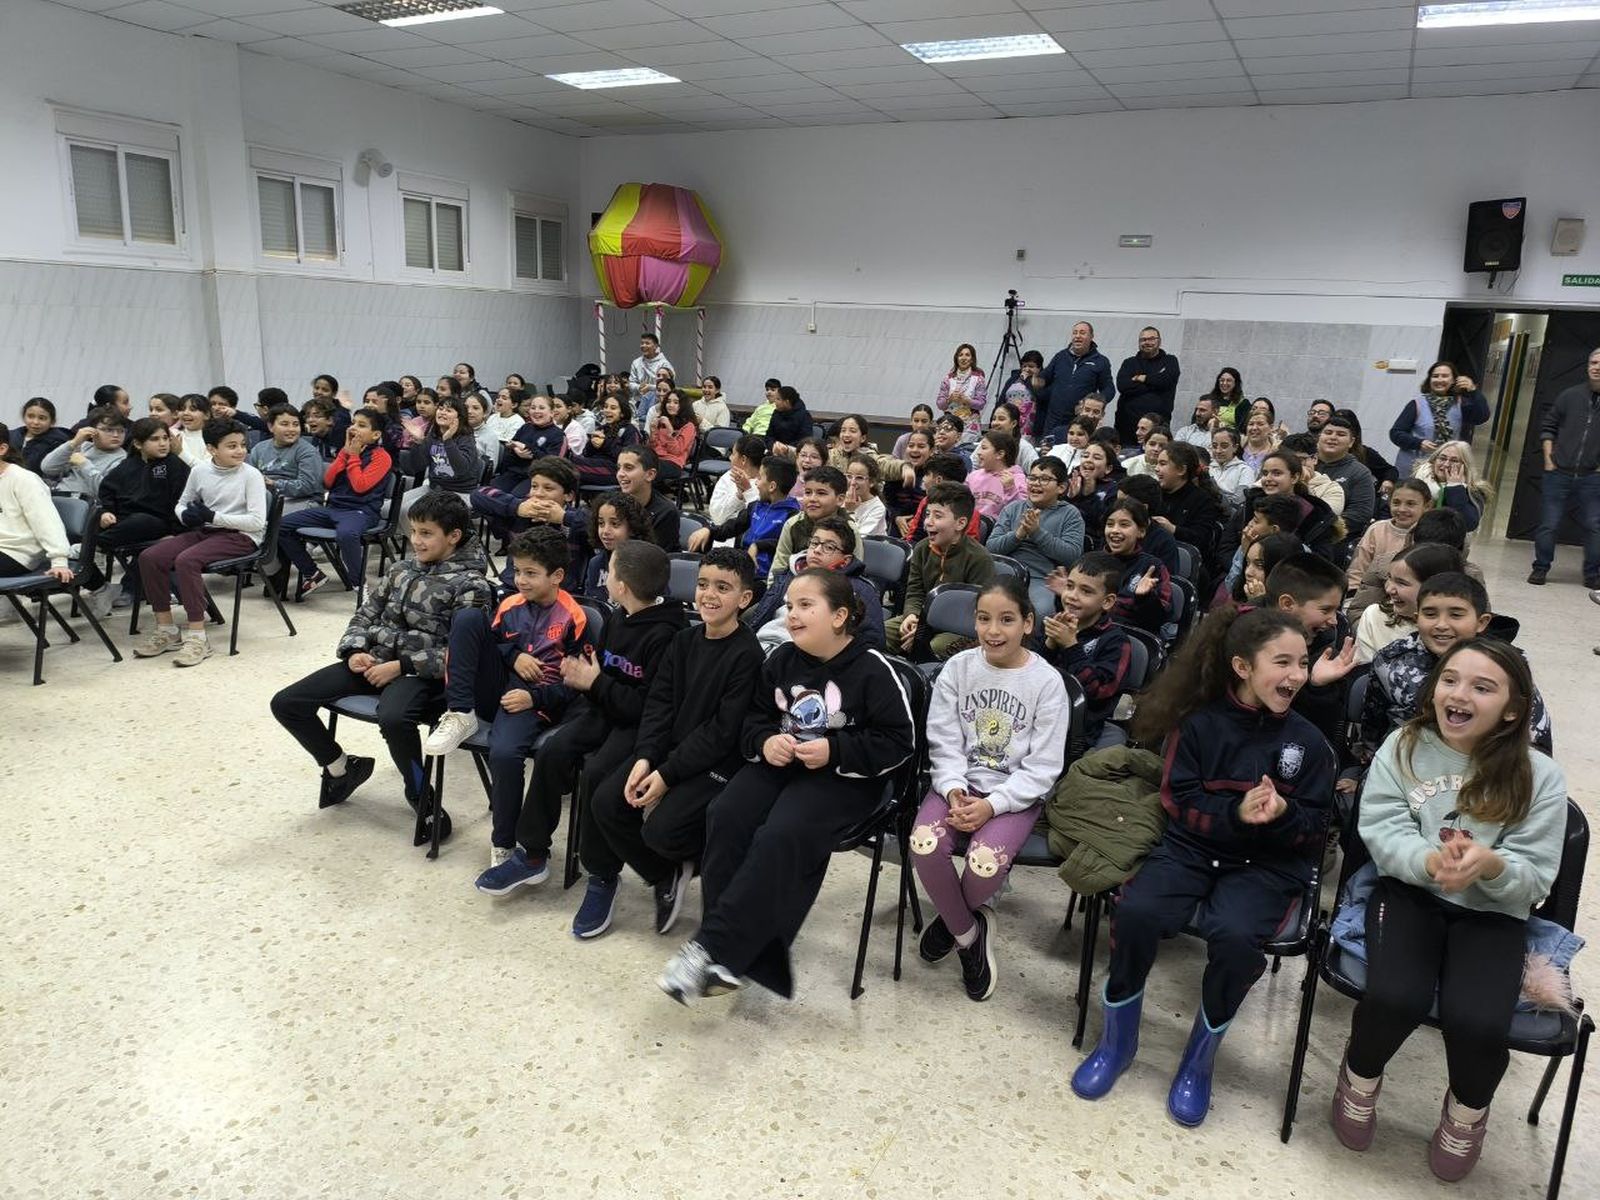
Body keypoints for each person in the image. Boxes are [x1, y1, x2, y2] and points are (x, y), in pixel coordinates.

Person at [1071, 608, 1335, 1126]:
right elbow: (1178, 800)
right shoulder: (1198, 723)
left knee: (1237, 939)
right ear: (1242, 666)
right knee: (1138, 912)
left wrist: (1280, 815)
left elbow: (1315, 830)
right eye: (1282, 662)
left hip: (1265, 866)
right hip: (1192, 847)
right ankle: (1116, 1045)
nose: (1297, 676)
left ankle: (1197, 1065)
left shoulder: (1309, 743)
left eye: (1302, 663)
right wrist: (1235, 812)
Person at [1331, 639, 1565, 1182]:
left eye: (1482, 687)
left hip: (1492, 911)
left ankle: (1466, 1113)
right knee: (1395, 995)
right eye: (1450, 679)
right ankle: (1359, 1079)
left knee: (1479, 1020)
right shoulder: (1404, 745)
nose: (1458, 695)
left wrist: (1489, 866)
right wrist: (1430, 861)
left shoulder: (1540, 776)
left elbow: (1536, 873)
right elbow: (1383, 829)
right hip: (1410, 891)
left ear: (1512, 708)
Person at [657, 568, 917, 1002]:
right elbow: (753, 720)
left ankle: (712, 946)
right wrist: (765, 740)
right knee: (726, 813)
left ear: (839, 616)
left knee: (781, 834)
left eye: (805, 605)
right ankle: (730, 955)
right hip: (783, 764)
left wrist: (836, 752)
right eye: (789, 606)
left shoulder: (873, 668)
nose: (791, 614)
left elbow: (898, 743)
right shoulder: (780, 659)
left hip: (845, 778)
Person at [270, 491, 493, 839]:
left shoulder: (473, 586)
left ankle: (419, 792)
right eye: (414, 531)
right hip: (374, 661)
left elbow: (463, 654)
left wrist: (402, 666)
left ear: (454, 536)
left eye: (426, 533)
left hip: (422, 675)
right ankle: (342, 768)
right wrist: (354, 649)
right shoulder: (401, 570)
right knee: (287, 703)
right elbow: (366, 613)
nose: (416, 541)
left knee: (393, 717)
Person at [477, 541, 689, 898]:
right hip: (602, 708)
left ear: (621, 585)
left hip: (635, 724)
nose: (605, 576)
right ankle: (532, 853)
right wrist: (588, 683)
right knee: (553, 752)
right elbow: (598, 678)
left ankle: (602, 874)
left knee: (595, 775)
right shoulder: (617, 617)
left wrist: (594, 683)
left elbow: (648, 707)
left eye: (612, 570)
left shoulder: (668, 636)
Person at [579, 548, 763, 938]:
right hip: (668, 754)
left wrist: (666, 774)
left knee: (661, 831)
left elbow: (720, 733)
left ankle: (689, 860)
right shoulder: (683, 641)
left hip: (714, 763)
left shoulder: (748, 655)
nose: (709, 595)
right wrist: (646, 758)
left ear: (744, 599)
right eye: (702, 584)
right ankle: (665, 874)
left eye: (723, 587)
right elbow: (658, 706)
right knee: (607, 802)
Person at [912, 577, 1069, 1000]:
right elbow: (943, 738)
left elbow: (1043, 768)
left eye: (1006, 620)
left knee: (984, 862)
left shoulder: (1047, 683)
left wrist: (993, 806)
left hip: (1014, 795)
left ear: (1028, 623)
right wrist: (952, 788)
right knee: (924, 844)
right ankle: (970, 935)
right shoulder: (958, 669)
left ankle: (950, 923)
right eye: (984, 619)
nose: (993, 630)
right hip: (958, 786)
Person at [422, 525, 588, 868]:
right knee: (468, 617)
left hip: (536, 698)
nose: (520, 580)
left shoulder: (574, 617)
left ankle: (504, 841)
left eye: (531, 573)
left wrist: (535, 700)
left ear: (557, 575)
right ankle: (460, 713)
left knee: (504, 752)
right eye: (516, 571)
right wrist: (514, 656)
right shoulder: (510, 603)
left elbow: (578, 685)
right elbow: (494, 643)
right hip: (499, 686)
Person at [1362, 572, 1553, 759]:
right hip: (1405, 765)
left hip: (1486, 768)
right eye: (1430, 614)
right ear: (1416, 617)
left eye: (1456, 615)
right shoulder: (1391, 661)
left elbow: (1534, 737)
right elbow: (1373, 726)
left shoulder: (1506, 664)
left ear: (1482, 622)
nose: (1441, 624)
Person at [131, 419, 266, 667]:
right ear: (212, 449)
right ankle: (167, 630)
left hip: (241, 536)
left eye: (243, 445)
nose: (240, 451)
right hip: (207, 530)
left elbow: (257, 522)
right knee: (150, 557)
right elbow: (182, 504)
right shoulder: (200, 471)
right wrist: (186, 515)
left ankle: (197, 636)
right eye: (231, 446)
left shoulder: (251, 475)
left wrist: (214, 516)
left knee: (187, 560)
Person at [275, 408, 394, 601]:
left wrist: (353, 456)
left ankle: (359, 583)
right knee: (279, 526)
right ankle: (312, 573)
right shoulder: (346, 451)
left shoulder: (382, 457)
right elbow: (328, 482)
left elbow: (360, 486)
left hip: (361, 512)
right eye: (353, 423)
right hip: (333, 509)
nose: (354, 428)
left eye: (361, 425)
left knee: (346, 535)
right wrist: (344, 454)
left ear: (376, 435)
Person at [78, 418, 191, 612]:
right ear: (139, 444)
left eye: (165, 438)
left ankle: (91, 547)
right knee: (91, 517)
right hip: (123, 522)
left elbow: (182, 502)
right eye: (155, 439)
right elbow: (107, 492)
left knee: (141, 521)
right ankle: (91, 558)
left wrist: (176, 534)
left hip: (159, 523)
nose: (163, 443)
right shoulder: (127, 466)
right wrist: (106, 512)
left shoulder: (174, 465)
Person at [886, 483, 996, 661]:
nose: (928, 521)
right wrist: (911, 616)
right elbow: (915, 590)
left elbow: (976, 612)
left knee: (932, 646)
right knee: (878, 633)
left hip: (958, 628)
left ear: (960, 523)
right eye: (927, 514)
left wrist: (923, 633)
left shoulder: (979, 558)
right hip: (922, 619)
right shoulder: (922, 549)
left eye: (938, 516)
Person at [1042, 552, 1132, 747]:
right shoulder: (1053, 624)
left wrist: (1070, 646)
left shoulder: (1116, 642)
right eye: (1070, 586)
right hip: (1037, 714)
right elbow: (1026, 675)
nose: (1072, 596)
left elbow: (1097, 693)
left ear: (1107, 602)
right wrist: (1049, 644)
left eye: (1086, 591)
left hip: (1077, 732)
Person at [756, 515, 884, 652]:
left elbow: (873, 642)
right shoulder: (788, 575)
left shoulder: (859, 590)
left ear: (846, 560)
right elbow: (759, 617)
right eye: (814, 543)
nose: (817, 550)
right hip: (762, 644)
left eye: (829, 547)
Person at [1529, 346, 1600, 588]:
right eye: (1594, 362)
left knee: (1594, 525)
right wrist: (1549, 460)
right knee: (1549, 524)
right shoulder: (1570, 395)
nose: (1597, 367)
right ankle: (1540, 568)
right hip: (1558, 473)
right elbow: (1549, 426)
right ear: (1588, 366)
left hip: (1592, 477)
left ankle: (1592, 573)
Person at [987, 457, 1086, 622]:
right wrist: (1018, 535)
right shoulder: (1013, 509)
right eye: (1032, 478)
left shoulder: (1070, 514)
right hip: (1004, 575)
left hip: (1043, 580)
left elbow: (1072, 556)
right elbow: (991, 548)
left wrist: (1036, 533)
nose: (1035, 483)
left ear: (1061, 487)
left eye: (1045, 479)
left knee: (1038, 612)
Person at [689, 454, 799, 581]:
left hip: (765, 578)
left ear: (772, 486)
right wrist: (709, 530)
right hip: (742, 567)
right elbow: (733, 526)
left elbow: (784, 544)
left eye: (759, 478)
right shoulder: (755, 506)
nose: (756, 483)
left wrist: (758, 546)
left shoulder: (792, 515)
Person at [1353, 543, 1463, 664]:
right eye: (1389, 578)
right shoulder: (1375, 617)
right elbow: (1365, 673)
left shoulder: (1460, 628)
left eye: (1402, 583)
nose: (1389, 589)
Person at [1390, 361, 1492, 478]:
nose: (1439, 379)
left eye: (1445, 376)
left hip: (1445, 469)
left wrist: (1473, 391)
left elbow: (1482, 417)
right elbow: (1395, 433)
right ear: (1429, 380)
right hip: (1413, 469)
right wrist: (1419, 443)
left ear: (1454, 380)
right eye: (1435, 376)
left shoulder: (1460, 404)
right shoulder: (1417, 404)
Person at [1346, 479, 1431, 616]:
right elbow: (1357, 572)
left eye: (1410, 504)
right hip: (1372, 602)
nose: (1402, 509)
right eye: (1396, 503)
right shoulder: (1376, 529)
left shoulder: (1430, 533)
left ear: (1426, 506)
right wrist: (1351, 603)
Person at [0, 427, 73, 584]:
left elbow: (46, 520)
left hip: (17, 552)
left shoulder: (24, 479)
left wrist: (59, 559)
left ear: (2, 449)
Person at [1030, 321, 1115, 443]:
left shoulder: (1101, 361)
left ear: (1091, 337)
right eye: (1075, 333)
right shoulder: (1060, 356)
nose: (1077, 336)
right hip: (1053, 420)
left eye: (1082, 333)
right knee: (1048, 454)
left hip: (1080, 422)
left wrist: (1096, 403)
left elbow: (1109, 389)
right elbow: (1044, 377)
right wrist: (1038, 381)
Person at [1101, 497, 1171, 636]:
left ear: (1141, 531)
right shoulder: (1092, 562)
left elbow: (1159, 619)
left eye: (1124, 525)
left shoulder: (1153, 567)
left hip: (1131, 636)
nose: (1115, 530)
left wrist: (1145, 598)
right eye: (1110, 524)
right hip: (1093, 631)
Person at [1153, 442, 1227, 565]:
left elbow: (1202, 538)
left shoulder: (1203, 500)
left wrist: (1173, 529)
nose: (1156, 468)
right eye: (1157, 463)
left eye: (1163, 464)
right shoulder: (1153, 493)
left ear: (1181, 470)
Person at [1316, 415, 1377, 552]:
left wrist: (1321, 528)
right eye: (1328, 432)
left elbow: (1360, 513)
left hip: (1333, 542)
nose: (1333, 437)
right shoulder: (1303, 464)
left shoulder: (1360, 472)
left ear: (1351, 442)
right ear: (1319, 437)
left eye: (1341, 434)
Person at [39, 405, 126, 500]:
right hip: (58, 494)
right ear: (92, 430)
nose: (116, 435)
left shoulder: (123, 460)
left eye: (121, 431)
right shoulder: (83, 447)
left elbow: (105, 492)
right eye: (109, 430)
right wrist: (73, 443)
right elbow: (47, 468)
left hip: (84, 504)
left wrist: (84, 464)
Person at [248, 404, 323, 507]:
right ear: (271, 426)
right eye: (285, 424)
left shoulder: (308, 452)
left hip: (300, 499)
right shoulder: (259, 449)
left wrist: (273, 484)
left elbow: (308, 486)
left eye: (295, 424)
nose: (291, 429)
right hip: (263, 496)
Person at [1114, 326, 1181, 443]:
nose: (1147, 342)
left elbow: (1166, 380)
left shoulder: (1170, 361)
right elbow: (1123, 386)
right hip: (1127, 427)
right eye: (1143, 340)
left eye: (1151, 339)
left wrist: (1142, 378)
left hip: (1158, 426)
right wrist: (1154, 383)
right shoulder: (1129, 363)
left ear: (1159, 341)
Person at [581, 491, 654, 597]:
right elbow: (591, 603)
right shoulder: (596, 563)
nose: (605, 531)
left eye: (615, 524)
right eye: (601, 523)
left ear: (633, 528)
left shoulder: (647, 564)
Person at [1412, 441, 1489, 533]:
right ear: (1434, 460)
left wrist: (1455, 488)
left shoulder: (1473, 491)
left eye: (1454, 461)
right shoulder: (1417, 480)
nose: (1446, 464)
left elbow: (1468, 524)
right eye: (1442, 458)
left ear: (1465, 466)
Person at [615, 446, 679, 551]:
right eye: (619, 467)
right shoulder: (611, 502)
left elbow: (655, 558)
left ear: (650, 475)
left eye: (628, 468)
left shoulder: (666, 512)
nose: (620, 474)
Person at [572, 394, 640, 485]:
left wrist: (604, 444)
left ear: (622, 413)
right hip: (596, 464)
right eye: (605, 407)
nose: (607, 410)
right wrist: (592, 444)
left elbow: (631, 458)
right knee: (567, 461)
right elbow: (586, 454)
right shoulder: (602, 428)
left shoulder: (630, 430)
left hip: (616, 470)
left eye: (613, 408)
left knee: (569, 468)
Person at [707, 433, 766, 527]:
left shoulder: (765, 482)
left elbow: (760, 519)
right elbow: (716, 518)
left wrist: (747, 490)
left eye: (733, 454)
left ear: (743, 459)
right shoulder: (728, 477)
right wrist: (738, 497)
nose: (730, 458)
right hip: (723, 535)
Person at [936, 343, 989, 442]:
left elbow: (981, 404)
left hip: (970, 427)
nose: (963, 358)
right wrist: (950, 399)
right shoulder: (948, 378)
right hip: (950, 425)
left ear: (972, 359)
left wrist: (967, 400)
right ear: (956, 358)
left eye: (967, 355)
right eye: (961, 355)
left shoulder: (979, 379)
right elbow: (940, 405)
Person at [1065, 441, 1118, 538]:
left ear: (1108, 468)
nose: (1088, 460)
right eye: (1085, 456)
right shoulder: (1071, 481)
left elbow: (1103, 523)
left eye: (1096, 458)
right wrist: (1069, 498)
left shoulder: (1113, 490)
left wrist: (1089, 496)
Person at [648, 389, 697, 481]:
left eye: (676, 402)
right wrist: (653, 431)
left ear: (683, 405)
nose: (670, 405)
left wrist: (670, 432)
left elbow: (676, 451)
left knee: (645, 470)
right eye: (668, 402)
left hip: (673, 462)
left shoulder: (689, 426)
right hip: (655, 458)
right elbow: (652, 447)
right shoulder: (662, 420)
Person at [11, 398, 68, 474]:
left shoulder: (58, 443)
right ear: (23, 417)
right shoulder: (10, 436)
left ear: (52, 421)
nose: (35, 422)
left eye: (42, 418)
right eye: (30, 416)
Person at [841, 452, 887, 538]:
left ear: (872, 482)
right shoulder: (841, 498)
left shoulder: (878, 508)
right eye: (849, 476)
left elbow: (858, 538)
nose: (852, 482)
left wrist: (849, 511)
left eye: (859, 478)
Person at [998, 350, 1042, 437]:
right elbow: (1002, 400)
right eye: (1024, 366)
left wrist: (1028, 380)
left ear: (1039, 368)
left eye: (1031, 366)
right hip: (1009, 424)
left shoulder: (1041, 381)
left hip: (1030, 427)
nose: (1027, 369)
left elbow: (1040, 397)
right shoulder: (1012, 379)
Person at [1209, 427, 1256, 507]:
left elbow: (1238, 501)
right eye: (1214, 446)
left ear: (1235, 447)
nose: (1218, 451)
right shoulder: (1208, 468)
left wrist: (1214, 490)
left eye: (1224, 446)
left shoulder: (1245, 470)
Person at [987, 401, 1037, 472]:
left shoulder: (1024, 447)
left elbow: (1036, 472)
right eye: (994, 419)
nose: (995, 423)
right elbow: (973, 465)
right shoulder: (985, 443)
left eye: (1001, 419)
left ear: (1014, 423)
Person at [627, 333, 673, 408]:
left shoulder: (664, 364)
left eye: (647, 343)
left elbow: (670, 386)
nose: (643, 346)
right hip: (639, 402)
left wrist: (650, 387)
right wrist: (639, 387)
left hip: (658, 402)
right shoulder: (636, 363)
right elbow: (631, 383)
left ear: (655, 346)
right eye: (642, 343)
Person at [766, 385, 812, 458]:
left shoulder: (804, 415)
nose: (775, 402)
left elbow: (805, 439)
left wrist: (786, 448)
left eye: (778, 399)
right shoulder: (776, 413)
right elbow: (769, 435)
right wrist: (773, 445)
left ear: (787, 402)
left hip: (794, 453)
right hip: (775, 451)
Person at [1201, 368, 1247, 433]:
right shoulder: (1208, 399)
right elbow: (1197, 419)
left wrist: (1224, 427)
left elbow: (1242, 429)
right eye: (1222, 380)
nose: (1224, 383)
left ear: (1235, 383)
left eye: (1228, 381)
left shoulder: (1243, 403)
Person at [1240, 406, 1279, 472]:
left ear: (1271, 427)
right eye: (1251, 424)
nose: (1254, 428)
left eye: (1260, 424)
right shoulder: (1236, 446)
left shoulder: (1278, 451)